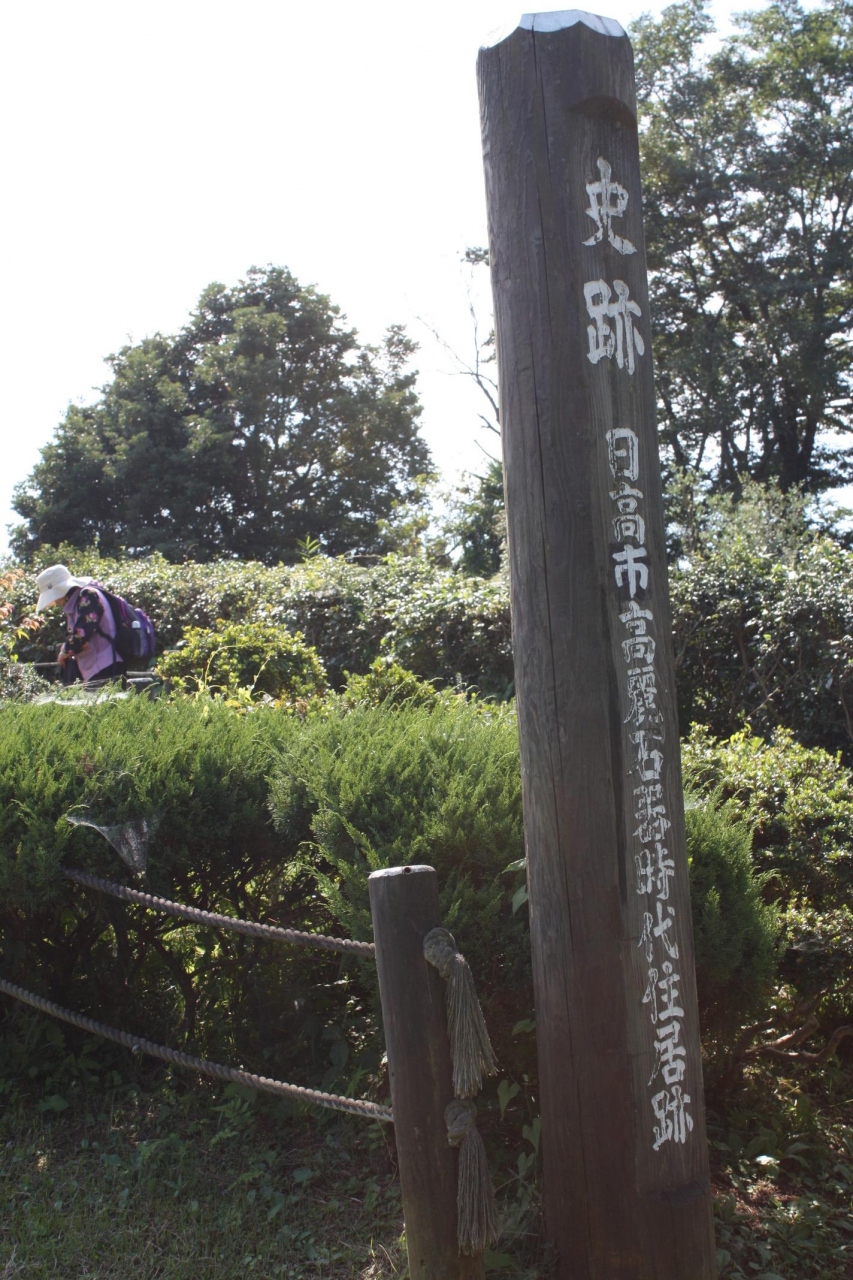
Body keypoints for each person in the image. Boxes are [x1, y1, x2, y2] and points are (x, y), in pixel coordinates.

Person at [35, 564, 124, 688]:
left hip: (106, 666)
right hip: (97, 667)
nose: (56, 602)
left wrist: (65, 651)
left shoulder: (88, 595)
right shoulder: (78, 600)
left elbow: (82, 634)